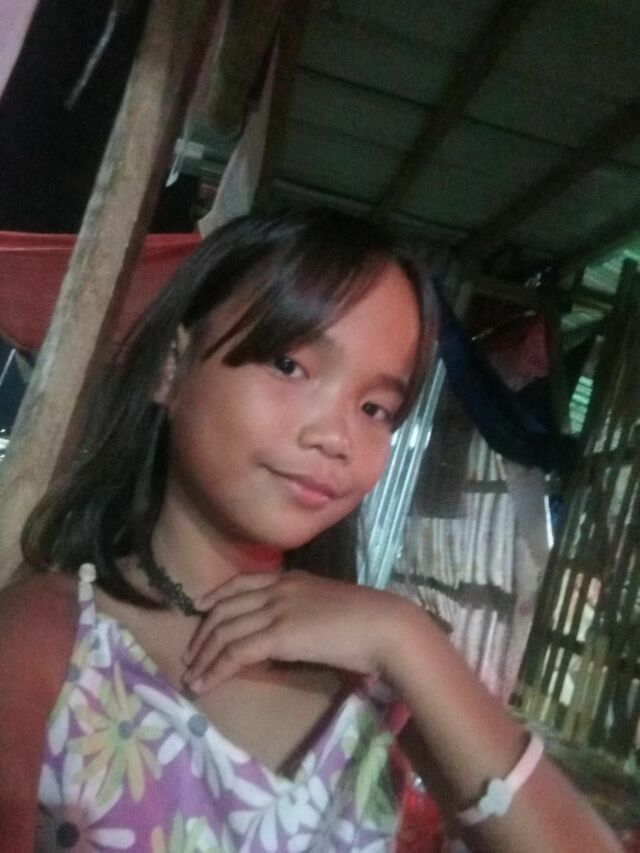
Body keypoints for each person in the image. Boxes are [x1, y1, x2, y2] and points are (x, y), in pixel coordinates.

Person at [0, 209, 621, 852]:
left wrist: (404, 636)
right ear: (171, 367)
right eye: (290, 365)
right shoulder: (52, 639)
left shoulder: (377, 671)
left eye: (375, 408)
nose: (335, 437)